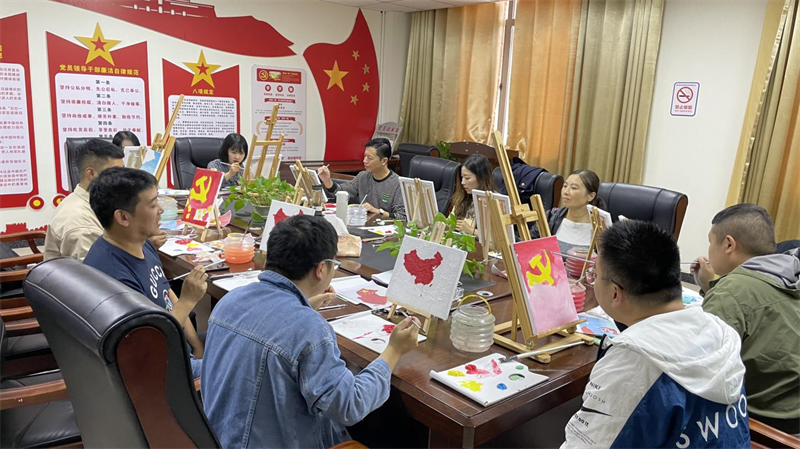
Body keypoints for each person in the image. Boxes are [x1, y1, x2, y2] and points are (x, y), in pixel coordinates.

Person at [202, 215, 419, 449]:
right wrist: (394, 350)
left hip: (217, 438)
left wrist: (303, 306)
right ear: (321, 269)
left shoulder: (230, 300)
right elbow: (350, 405)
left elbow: (272, 328)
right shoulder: (308, 328)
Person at [562, 220, 749, 448]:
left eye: (595, 274)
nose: (592, 279)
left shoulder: (633, 364)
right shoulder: (719, 331)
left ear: (615, 293)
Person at [83, 167, 207, 377]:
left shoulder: (140, 242)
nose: (161, 209)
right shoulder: (114, 279)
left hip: (178, 346)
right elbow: (149, 345)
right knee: (247, 362)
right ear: (123, 217)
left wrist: (198, 347)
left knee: (240, 338)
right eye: (153, 204)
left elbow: (167, 295)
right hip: (162, 368)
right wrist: (188, 300)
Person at [692, 204, 800, 436]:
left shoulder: (731, 291)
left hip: (760, 425)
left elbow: (699, 367)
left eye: (711, 242)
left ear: (729, 244)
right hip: (793, 416)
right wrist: (710, 287)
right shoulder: (790, 274)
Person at [44, 139, 124, 261]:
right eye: (115, 173)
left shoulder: (98, 201)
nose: (123, 178)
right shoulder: (81, 225)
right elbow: (100, 270)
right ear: (91, 173)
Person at [317, 138, 406, 220]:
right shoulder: (363, 176)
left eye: (369, 158)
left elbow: (402, 217)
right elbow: (341, 192)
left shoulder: (397, 183)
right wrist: (327, 180)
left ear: (384, 161)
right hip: (363, 224)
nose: (365, 161)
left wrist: (378, 211)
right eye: (364, 156)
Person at [531, 169, 606, 253]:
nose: (566, 192)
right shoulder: (550, 218)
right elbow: (528, 246)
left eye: (574, 188)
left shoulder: (601, 227)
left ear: (591, 196)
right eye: (565, 186)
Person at [450, 154, 495, 235]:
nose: (463, 182)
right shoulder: (462, 196)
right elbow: (450, 221)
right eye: (462, 177)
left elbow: (496, 238)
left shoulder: (494, 201)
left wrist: (471, 231)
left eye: (467, 178)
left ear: (481, 178)